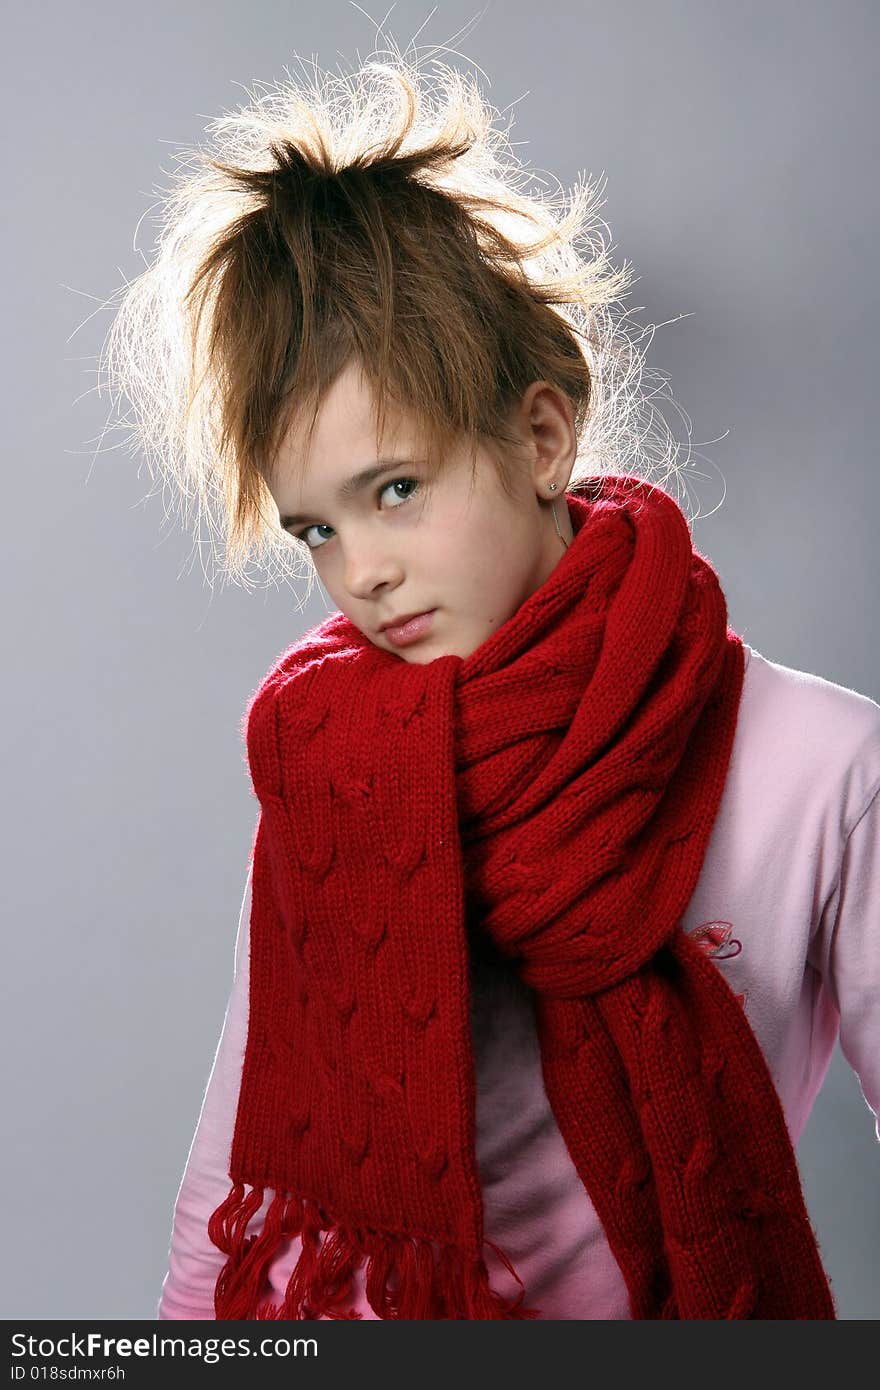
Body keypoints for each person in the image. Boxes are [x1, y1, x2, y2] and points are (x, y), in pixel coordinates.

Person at [101, 44, 879, 1320]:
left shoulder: (819, 766)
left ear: (539, 434)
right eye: (317, 530)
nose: (361, 573)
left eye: (395, 490)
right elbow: (240, 1164)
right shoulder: (329, 756)